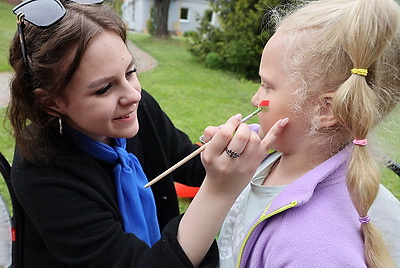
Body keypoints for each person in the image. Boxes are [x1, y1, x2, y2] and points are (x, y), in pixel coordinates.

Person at [6, 1, 288, 267]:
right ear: (52, 102)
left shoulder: (138, 110)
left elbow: (187, 162)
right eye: (104, 88)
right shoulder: (39, 171)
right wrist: (218, 192)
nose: (133, 95)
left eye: (130, 72)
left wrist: (221, 154)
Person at [204, 0, 400, 267]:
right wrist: (234, 148)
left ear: (325, 110)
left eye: (266, 86)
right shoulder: (275, 155)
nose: (254, 98)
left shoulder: (312, 249)